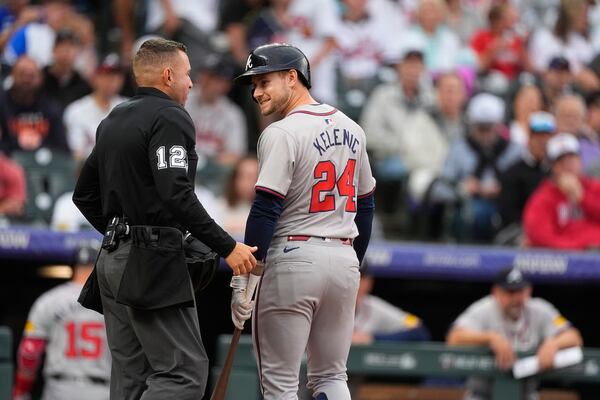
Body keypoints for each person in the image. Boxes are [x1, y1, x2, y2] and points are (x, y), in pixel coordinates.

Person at [72, 38, 257, 400]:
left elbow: (84, 195)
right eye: (187, 74)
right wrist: (227, 247)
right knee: (184, 374)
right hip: (148, 259)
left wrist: (119, 233)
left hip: (111, 258)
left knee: (131, 378)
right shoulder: (170, 115)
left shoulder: (114, 118)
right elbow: (176, 193)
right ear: (168, 74)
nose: (191, 83)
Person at [233, 43, 376, 400]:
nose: (256, 93)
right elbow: (367, 206)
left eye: (264, 82)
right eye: (254, 85)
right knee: (331, 377)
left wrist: (249, 275)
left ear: (292, 77)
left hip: (293, 257)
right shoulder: (353, 128)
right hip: (343, 256)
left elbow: (266, 208)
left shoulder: (281, 132)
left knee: (280, 386)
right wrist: (351, 263)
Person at [447, 266, 583, 400]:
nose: (516, 298)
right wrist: (490, 338)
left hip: (526, 395)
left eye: (520, 291)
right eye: (510, 292)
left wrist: (554, 343)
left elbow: (573, 336)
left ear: (529, 290)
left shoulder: (541, 309)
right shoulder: (483, 308)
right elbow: (454, 338)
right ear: (496, 292)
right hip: (482, 394)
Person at [12, 245, 111, 400]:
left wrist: (21, 390)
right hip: (101, 390)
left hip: (59, 389)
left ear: (72, 267)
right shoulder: (113, 304)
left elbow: (29, 353)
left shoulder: (49, 299)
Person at [523, 132, 600, 249]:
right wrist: (581, 248)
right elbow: (540, 237)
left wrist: (582, 198)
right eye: (561, 160)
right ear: (552, 166)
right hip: (567, 259)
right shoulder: (543, 197)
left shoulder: (594, 188)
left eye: (572, 157)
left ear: (580, 160)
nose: (568, 164)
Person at [63, 53, 126, 162]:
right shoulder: (76, 110)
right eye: (106, 75)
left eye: (116, 76)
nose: (111, 80)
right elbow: (77, 155)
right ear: (95, 78)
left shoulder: (131, 108)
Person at [498, 112, 555, 232]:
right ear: (529, 137)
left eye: (547, 137)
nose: (542, 142)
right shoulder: (512, 173)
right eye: (538, 136)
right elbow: (509, 214)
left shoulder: (555, 172)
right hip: (521, 232)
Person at [0, 56, 69, 154]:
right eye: (22, 74)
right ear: (12, 75)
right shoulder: (2, 104)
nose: (26, 80)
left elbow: (62, 149)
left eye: (31, 76)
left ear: (41, 78)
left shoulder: (52, 108)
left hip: (43, 165)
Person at [353, 271, 430, 345]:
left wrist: (373, 338)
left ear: (369, 282)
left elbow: (418, 329)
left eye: (361, 277)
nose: (356, 281)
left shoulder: (374, 306)